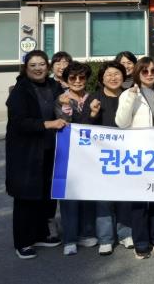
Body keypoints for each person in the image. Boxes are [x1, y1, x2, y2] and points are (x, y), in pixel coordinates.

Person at [5, 50, 67, 259]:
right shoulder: (20, 90)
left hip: (50, 150)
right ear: (26, 68)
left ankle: (41, 234)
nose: (38, 68)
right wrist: (48, 124)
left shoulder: (53, 86)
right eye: (33, 65)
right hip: (27, 152)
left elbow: (62, 108)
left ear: (47, 67)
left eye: (41, 64)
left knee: (46, 195)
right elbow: (19, 122)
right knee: (26, 197)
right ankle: (22, 242)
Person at [116, 57, 154, 259]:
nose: (149, 74)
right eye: (145, 71)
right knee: (139, 200)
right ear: (138, 73)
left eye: (153, 71)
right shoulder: (127, 94)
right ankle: (141, 242)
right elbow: (122, 123)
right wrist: (131, 98)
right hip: (137, 153)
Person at [89, 61, 134, 255]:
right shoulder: (95, 98)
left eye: (117, 74)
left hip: (126, 154)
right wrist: (93, 114)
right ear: (101, 78)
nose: (113, 78)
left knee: (125, 195)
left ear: (123, 77)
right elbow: (84, 127)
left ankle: (125, 234)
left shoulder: (129, 96)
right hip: (102, 155)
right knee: (104, 198)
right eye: (108, 74)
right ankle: (105, 238)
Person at [55, 61, 98, 256]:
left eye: (82, 77)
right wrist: (65, 107)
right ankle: (70, 238)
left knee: (88, 195)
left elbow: (96, 127)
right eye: (73, 77)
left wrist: (94, 114)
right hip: (68, 155)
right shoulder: (61, 99)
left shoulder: (93, 98)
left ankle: (87, 233)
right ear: (66, 80)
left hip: (89, 156)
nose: (78, 81)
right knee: (69, 197)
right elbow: (64, 125)